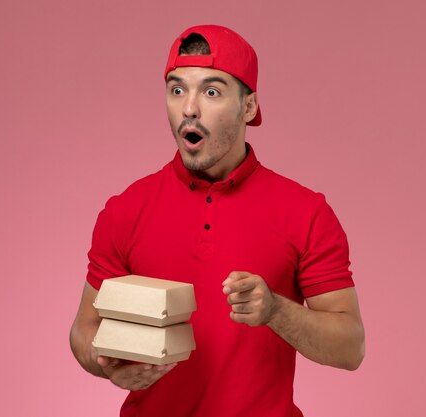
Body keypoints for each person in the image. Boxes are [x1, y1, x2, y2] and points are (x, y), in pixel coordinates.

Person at [70, 24, 365, 417]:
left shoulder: (305, 211)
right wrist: (108, 365)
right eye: (177, 90)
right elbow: (84, 331)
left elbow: (350, 347)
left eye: (211, 92)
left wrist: (276, 310)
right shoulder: (125, 211)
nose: (189, 108)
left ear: (248, 107)